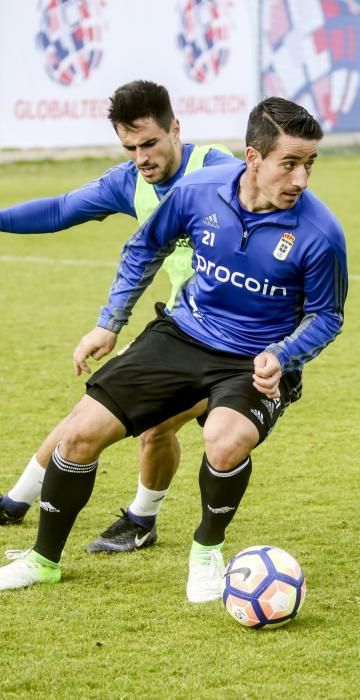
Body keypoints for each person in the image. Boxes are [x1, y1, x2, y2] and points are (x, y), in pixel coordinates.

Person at [0, 97, 348, 602]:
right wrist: (109, 323)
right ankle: (42, 559)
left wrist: (285, 354)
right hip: (184, 334)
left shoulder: (321, 234)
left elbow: (328, 315)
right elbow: (144, 248)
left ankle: (207, 549)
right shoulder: (198, 192)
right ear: (253, 158)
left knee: (226, 441)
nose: (301, 180)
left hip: (256, 358)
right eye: (289, 164)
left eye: (309, 164)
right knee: (76, 436)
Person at [0, 80, 236, 553]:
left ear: (176, 129)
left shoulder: (220, 171)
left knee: (155, 425)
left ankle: (141, 520)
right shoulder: (129, 181)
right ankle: (13, 503)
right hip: (179, 330)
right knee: (92, 409)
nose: (141, 156)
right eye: (130, 147)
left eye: (150, 143)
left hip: (238, 340)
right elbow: (60, 210)